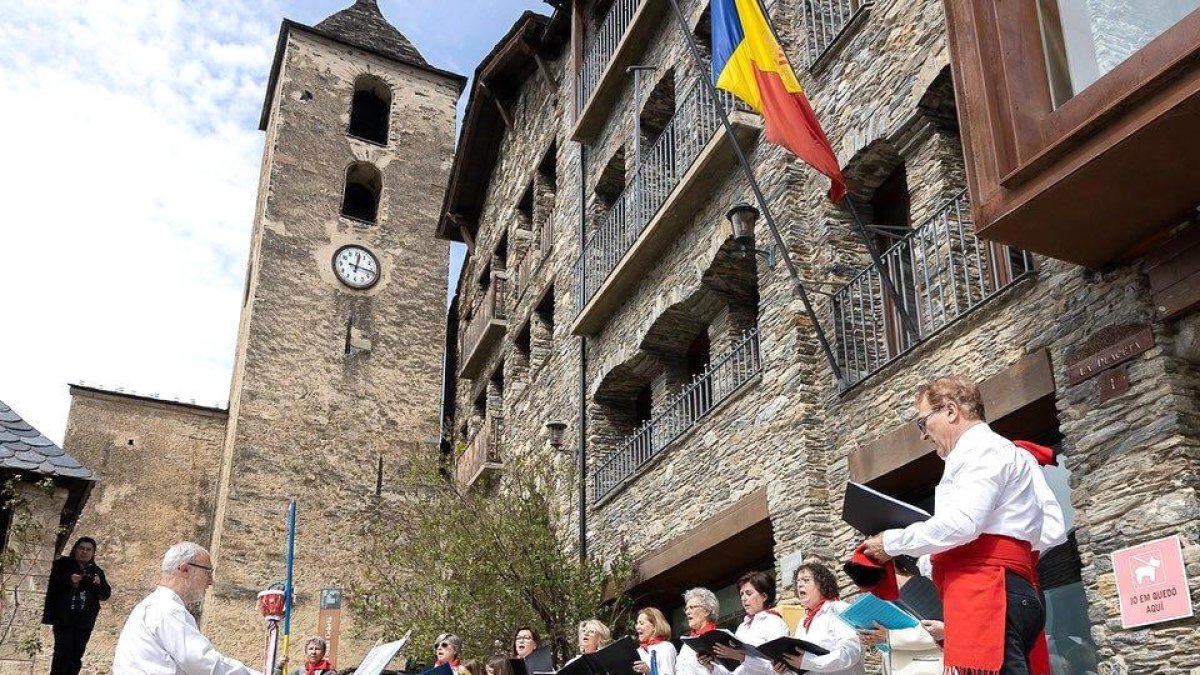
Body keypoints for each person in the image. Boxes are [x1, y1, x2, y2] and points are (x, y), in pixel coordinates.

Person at [861, 376, 1066, 675]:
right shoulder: (990, 451)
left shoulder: (981, 450)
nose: (923, 435)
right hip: (993, 587)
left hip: (991, 589)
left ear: (951, 411)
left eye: (923, 422)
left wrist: (891, 543)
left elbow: (963, 523)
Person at [112, 542, 261, 675]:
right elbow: (202, 662)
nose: (211, 582)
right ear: (185, 569)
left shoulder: (154, 605)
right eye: (207, 572)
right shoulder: (167, 608)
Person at [855, 556, 943, 675]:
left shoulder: (923, 587)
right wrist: (871, 636)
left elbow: (941, 630)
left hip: (928, 667)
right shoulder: (882, 598)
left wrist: (890, 637)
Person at [776, 563, 863, 675]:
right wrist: (786, 670)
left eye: (806, 580)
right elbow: (804, 668)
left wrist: (810, 662)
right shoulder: (803, 621)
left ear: (822, 584)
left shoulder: (838, 609)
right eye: (798, 582)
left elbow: (850, 653)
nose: (800, 585)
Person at [43, 536, 112, 675]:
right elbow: (50, 585)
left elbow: (105, 595)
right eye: (81, 548)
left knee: (76, 655)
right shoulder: (62, 565)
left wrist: (98, 584)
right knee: (62, 653)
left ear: (93, 553)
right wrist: (69, 580)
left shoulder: (96, 571)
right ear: (75, 549)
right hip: (64, 618)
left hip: (84, 621)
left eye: (88, 549)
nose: (84, 552)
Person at [710, 572, 787, 675]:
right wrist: (710, 666)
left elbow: (777, 668)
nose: (743, 598)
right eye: (741, 594)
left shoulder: (774, 623)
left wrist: (741, 657)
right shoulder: (742, 627)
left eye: (749, 593)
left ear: (764, 596)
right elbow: (736, 671)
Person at [676, 588, 720, 675]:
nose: (687, 612)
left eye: (692, 607)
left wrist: (710, 667)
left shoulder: (717, 638)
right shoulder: (687, 642)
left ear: (707, 611)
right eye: (686, 609)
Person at [633, 607, 676, 675]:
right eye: (637, 624)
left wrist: (649, 672)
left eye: (641, 623)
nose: (637, 627)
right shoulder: (639, 651)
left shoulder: (666, 647)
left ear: (654, 626)